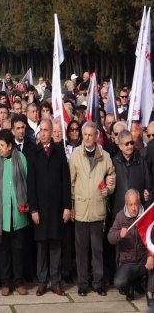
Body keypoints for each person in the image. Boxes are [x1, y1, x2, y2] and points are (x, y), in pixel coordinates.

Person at [69, 121, 116, 296]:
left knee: (97, 250)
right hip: (81, 210)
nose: (88, 138)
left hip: (97, 210)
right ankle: (82, 284)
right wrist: (72, 206)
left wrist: (109, 188)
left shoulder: (105, 156)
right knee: (81, 251)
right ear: (82, 135)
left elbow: (111, 175)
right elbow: (71, 183)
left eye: (92, 134)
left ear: (97, 136)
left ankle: (98, 283)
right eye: (86, 134)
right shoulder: (75, 156)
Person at [26, 119, 71, 296]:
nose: (43, 133)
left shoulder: (60, 152)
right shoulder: (33, 152)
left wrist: (67, 206)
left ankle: (56, 281)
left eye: (46, 130)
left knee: (56, 246)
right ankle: (42, 281)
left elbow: (66, 182)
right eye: (41, 130)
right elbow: (31, 183)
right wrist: (34, 209)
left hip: (57, 208)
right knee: (42, 247)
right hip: (41, 210)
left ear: (52, 132)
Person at [0, 129, 28, 296]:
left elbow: (26, 179)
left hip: (18, 213)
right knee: (4, 250)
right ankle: (5, 282)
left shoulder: (21, 158)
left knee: (18, 249)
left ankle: (18, 282)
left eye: (3, 146)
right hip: (1, 213)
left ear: (11, 146)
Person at [108, 189, 154, 302]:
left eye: (136, 204)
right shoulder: (120, 216)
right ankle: (131, 286)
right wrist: (119, 234)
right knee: (119, 282)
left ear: (139, 203)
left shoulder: (146, 214)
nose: (134, 208)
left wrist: (151, 255)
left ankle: (150, 292)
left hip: (144, 259)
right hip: (128, 262)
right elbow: (110, 237)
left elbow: (153, 237)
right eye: (130, 205)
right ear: (126, 204)